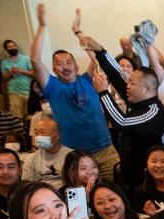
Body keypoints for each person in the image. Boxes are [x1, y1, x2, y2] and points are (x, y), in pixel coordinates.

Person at [30, 4, 119, 180]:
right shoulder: (52, 86)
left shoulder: (88, 79)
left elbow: (94, 55)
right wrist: (41, 26)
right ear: (53, 69)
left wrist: (77, 31)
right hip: (74, 154)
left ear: (76, 65)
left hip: (105, 149)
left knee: (115, 189)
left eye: (69, 62)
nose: (65, 66)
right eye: (59, 63)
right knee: (80, 196)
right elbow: (34, 59)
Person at [87, 44, 164, 190]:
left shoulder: (154, 112)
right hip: (129, 174)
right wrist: (100, 51)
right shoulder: (138, 101)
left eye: (132, 83)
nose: (128, 86)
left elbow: (122, 122)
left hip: (147, 181)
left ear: (147, 88)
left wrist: (103, 92)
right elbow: (115, 75)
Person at [22, 118, 70, 190]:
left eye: (42, 132)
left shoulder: (70, 155)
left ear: (57, 135)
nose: (38, 136)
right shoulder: (31, 159)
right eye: (36, 133)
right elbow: (26, 186)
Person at [131, 145, 164, 217]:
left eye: (163, 161)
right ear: (146, 165)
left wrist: (156, 215)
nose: (158, 165)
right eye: (154, 161)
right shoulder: (141, 193)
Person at [1, 40, 34, 120]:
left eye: (13, 46)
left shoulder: (26, 59)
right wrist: (10, 72)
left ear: (16, 47)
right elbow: (4, 78)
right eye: (9, 47)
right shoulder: (4, 63)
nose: (12, 48)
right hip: (14, 93)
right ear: (6, 50)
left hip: (29, 91)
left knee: (31, 116)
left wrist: (21, 71)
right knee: (17, 118)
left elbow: (34, 74)